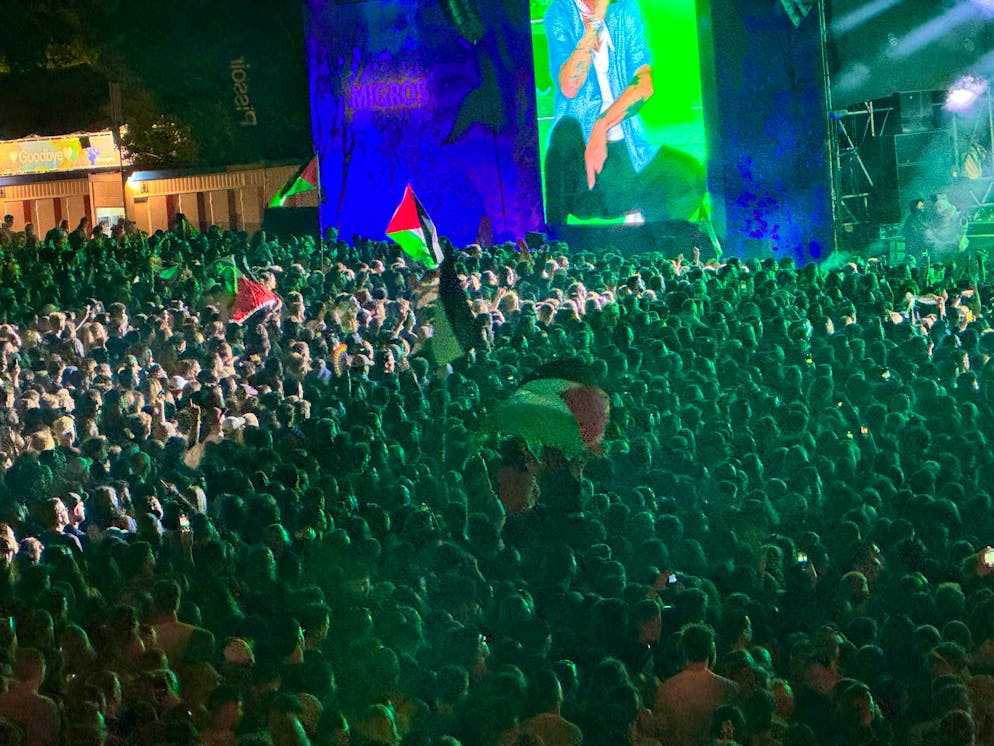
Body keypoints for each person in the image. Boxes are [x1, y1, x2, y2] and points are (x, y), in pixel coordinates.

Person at [542, 0, 705, 225]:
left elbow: (645, 83)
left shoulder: (625, 10)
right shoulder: (560, 12)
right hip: (580, 164)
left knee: (688, 174)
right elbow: (570, 86)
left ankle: (651, 243)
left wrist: (602, 125)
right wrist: (596, 21)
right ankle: (553, 242)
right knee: (566, 132)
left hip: (624, 151)